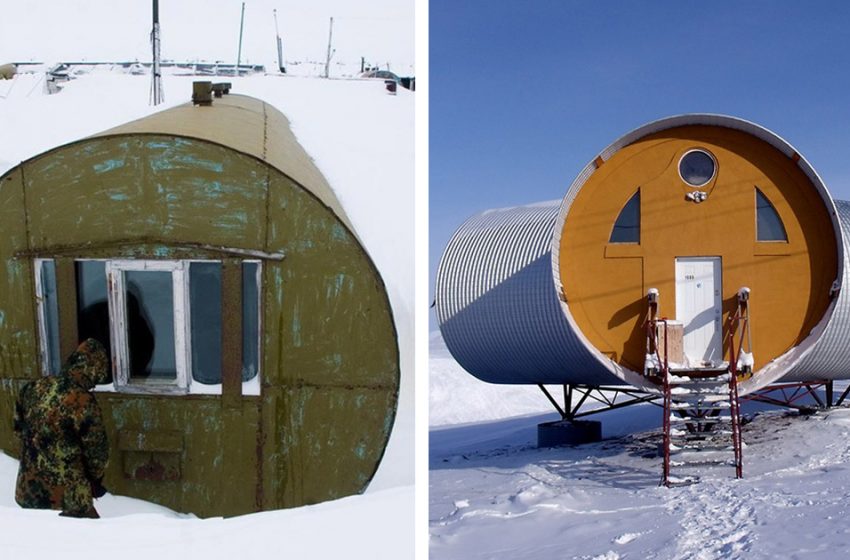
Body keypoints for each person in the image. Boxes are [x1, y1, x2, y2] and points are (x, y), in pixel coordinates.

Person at [14, 338, 110, 518]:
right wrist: (93, 481)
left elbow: (19, 429)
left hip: (28, 492)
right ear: (93, 369)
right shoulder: (82, 400)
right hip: (70, 498)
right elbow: (97, 454)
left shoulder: (31, 389)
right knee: (84, 543)